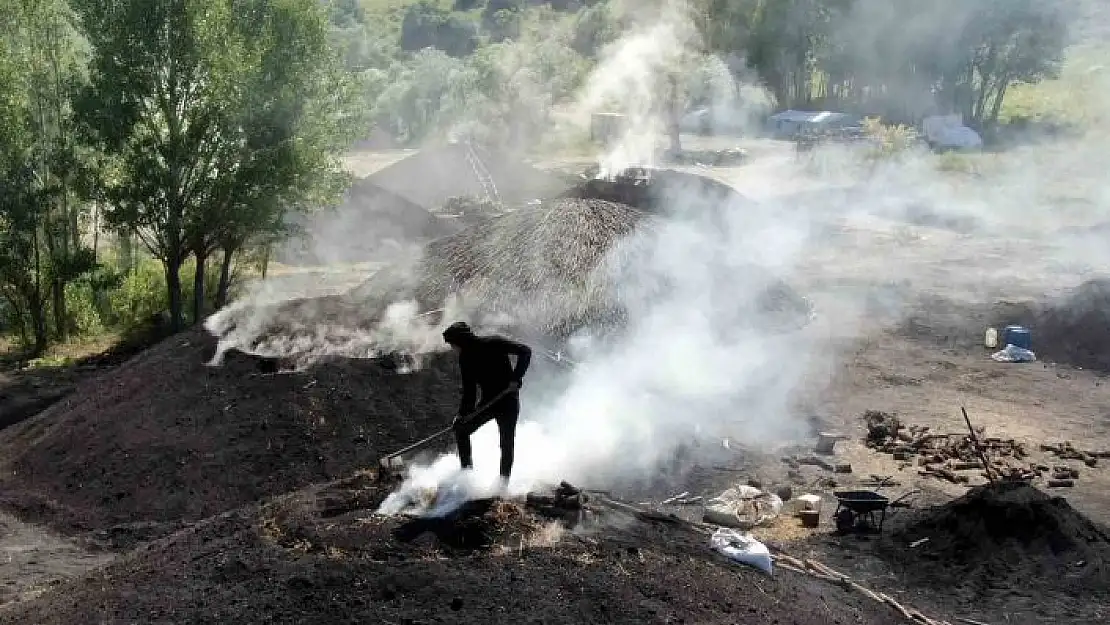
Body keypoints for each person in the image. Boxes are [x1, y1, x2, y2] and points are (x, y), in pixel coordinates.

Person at [442, 321, 531, 487]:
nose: (453, 349)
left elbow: (525, 351)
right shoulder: (465, 359)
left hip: (508, 401)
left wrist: (516, 377)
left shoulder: (494, 343)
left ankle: (503, 485)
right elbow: (469, 392)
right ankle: (466, 478)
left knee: (506, 443)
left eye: (453, 344)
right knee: (462, 430)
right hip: (487, 403)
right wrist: (462, 415)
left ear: (461, 341)